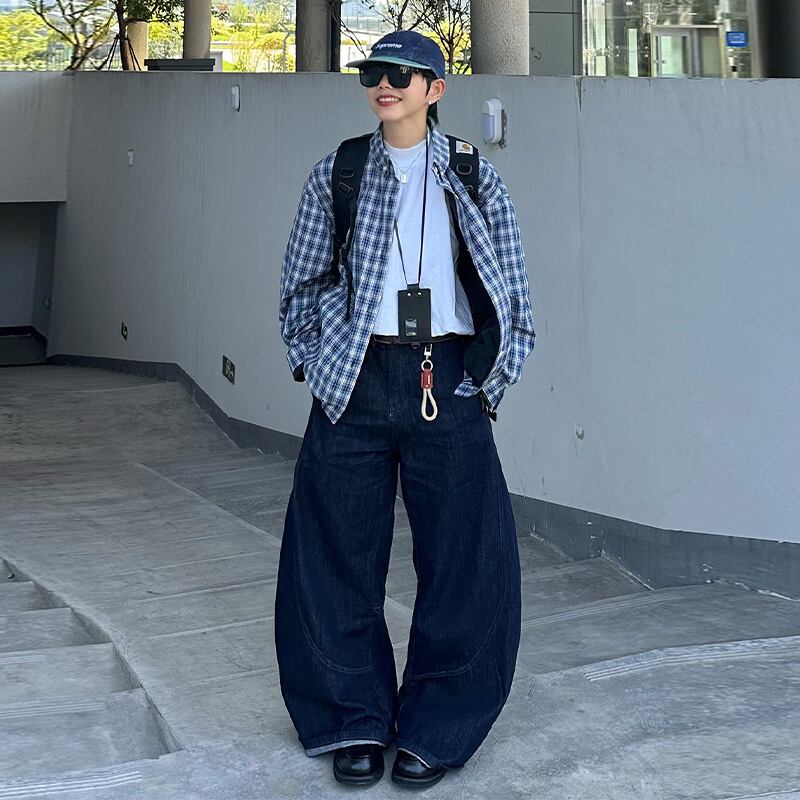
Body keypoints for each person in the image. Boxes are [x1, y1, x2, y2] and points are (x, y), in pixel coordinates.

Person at [274, 30, 536, 789]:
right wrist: (316, 360)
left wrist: (488, 376)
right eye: (372, 74)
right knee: (334, 557)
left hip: (445, 378)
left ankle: (438, 725)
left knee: (464, 560)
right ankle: (351, 718)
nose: (383, 85)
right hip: (355, 377)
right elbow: (300, 279)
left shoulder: (472, 175)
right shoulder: (340, 171)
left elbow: (513, 285)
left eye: (400, 74)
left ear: (435, 89)